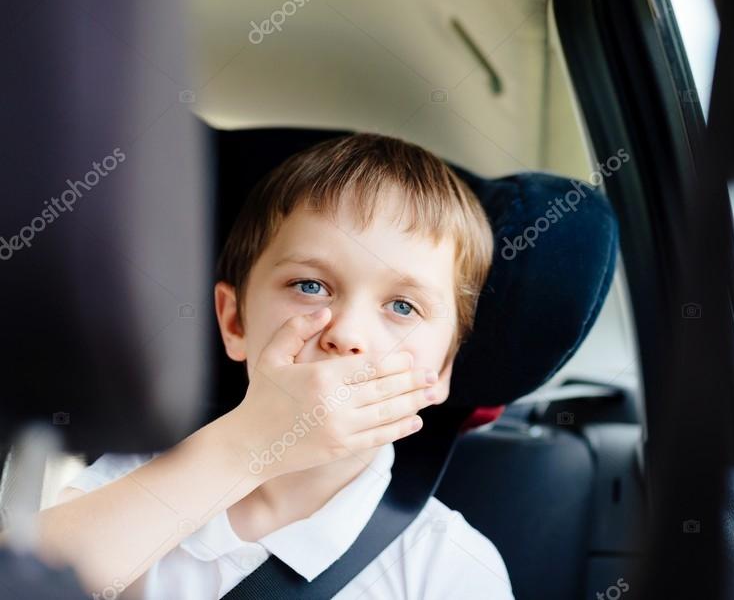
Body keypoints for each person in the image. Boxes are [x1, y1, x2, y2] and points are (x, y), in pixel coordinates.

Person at [33, 134, 513, 599]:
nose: (346, 333)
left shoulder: (448, 566)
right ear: (235, 320)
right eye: (310, 286)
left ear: (443, 369)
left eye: (403, 307)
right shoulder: (137, 482)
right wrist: (248, 445)